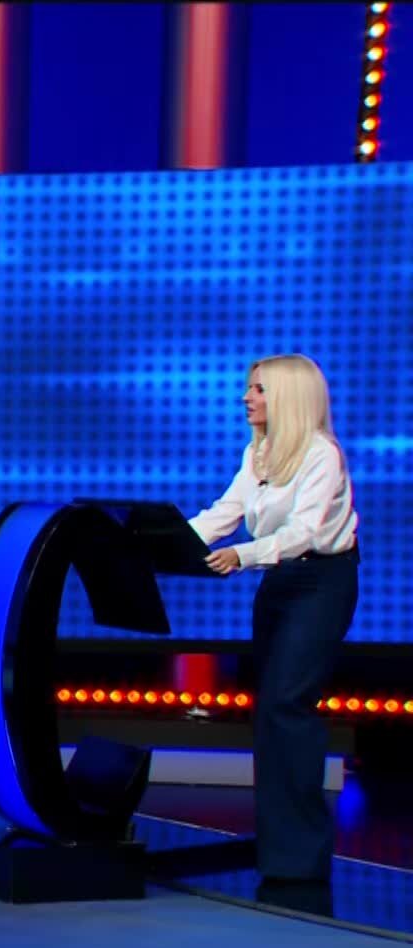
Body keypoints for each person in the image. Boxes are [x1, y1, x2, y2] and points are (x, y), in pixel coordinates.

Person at [188, 354, 359, 883]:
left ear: (289, 396)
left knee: (288, 705)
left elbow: (305, 533)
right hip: (280, 582)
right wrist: (156, 542)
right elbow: (223, 514)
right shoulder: (258, 453)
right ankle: (278, 853)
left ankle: (302, 860)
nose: (247, 398)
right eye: (249, 388)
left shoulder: (322, 454)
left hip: (321, 583)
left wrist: (243, 555)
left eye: (259, 389)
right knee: (270, 713)